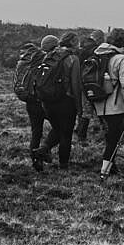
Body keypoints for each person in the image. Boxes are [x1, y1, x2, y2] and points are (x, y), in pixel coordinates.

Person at [91, 28, 124, 178]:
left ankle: (112, 166)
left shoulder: (97, 54)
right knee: (114, 138)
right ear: (123, 41)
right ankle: (105, 171)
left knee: (109, 135)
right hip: (115, 105)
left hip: (97, 102)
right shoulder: (121, 59)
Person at [33, 32, 83, 169]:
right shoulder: (72, 59)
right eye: (77, 42)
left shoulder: (49, 55)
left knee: (57, 129)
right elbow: (76, 85)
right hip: (65, 101)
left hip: (47, 101)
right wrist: (79, 108)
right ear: (73, 42)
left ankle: (43, 149)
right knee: (66, 134)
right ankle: (63, 165)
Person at [27, 35, 58, 171]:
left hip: (30, 101)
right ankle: (44, 151)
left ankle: (35, 158)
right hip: (44, 102)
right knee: (58, 129)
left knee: (36, 132)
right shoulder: (51, 59)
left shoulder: (33, 58)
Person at [75, 29, 106, 143]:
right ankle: (83, 136)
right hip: (94, 83)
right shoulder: (97, 50)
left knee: (85, 110)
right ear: (99, 39)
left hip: (81, 83)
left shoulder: (81, 49)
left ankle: (79, 131)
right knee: (99, 109)